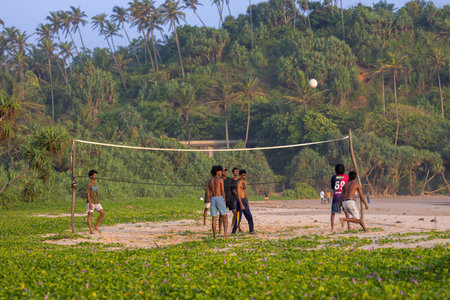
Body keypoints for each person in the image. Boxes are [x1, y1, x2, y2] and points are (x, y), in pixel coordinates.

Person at [207, 165, 228, 239]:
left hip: (213, 198)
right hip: (219, 197)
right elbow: (223, 192)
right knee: (225, 216)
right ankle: (225, 235)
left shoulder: (210, 180)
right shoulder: (220, 180)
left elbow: (208, 191)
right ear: (217, 172)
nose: (221, 172)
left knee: (214, 218)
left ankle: (214, 236)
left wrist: (209, 198)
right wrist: (224, 200)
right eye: (220, 171)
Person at [232, 170, 254, 234]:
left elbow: (245, 192)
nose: (245, 176)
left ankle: (251, 230)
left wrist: (247, 201)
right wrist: (241, 203)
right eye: (243, 175)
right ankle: (233, 231)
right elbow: (238, 194)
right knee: (238, 218)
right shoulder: (239, 183)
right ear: (240, 176)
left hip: (244, 200)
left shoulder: (245, 183)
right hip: (240, 201)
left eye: (245, 175)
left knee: (249, 216)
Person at [330, 164, 349, 232]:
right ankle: (348, 225)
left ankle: (332, 228)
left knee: (333, 213)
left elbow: (332, 187)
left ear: (336, 170)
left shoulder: (333, 177)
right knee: (346, 212)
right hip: (344, 197)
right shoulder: (346, 177)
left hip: (336, 197)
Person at [86, 170, 105, 234]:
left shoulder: (96, 183)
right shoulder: (89, 184)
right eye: (94, 175)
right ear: (91, 176)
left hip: (97, 201)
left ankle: (96, 226)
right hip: (91, 202)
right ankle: (91, 230)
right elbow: (87, 194)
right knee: (90, 216)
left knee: (102, 213)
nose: (95, 176)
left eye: (96, 175)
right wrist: (90, 204)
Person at [223, 168, 238, 232]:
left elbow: (233, 188)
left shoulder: (229, 179)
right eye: (223, 171)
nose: (225, 172)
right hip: (223, 199)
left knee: (235, 212)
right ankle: (220, 228)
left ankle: (233, 225)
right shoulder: (219, 180)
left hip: (230, 198)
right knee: (222, 214)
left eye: (225, 171)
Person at [231, 167, 242, 232]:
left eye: (237, 171)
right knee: (235, 212)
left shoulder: (240, 180)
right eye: (235, 171)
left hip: (239, 199)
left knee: (238, 213)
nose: (236, 172)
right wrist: (237, 195)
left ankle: (237, 227)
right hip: (233, 198)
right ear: (233, 172)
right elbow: (233, 189)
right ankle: (234, 225)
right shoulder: (232, 180)